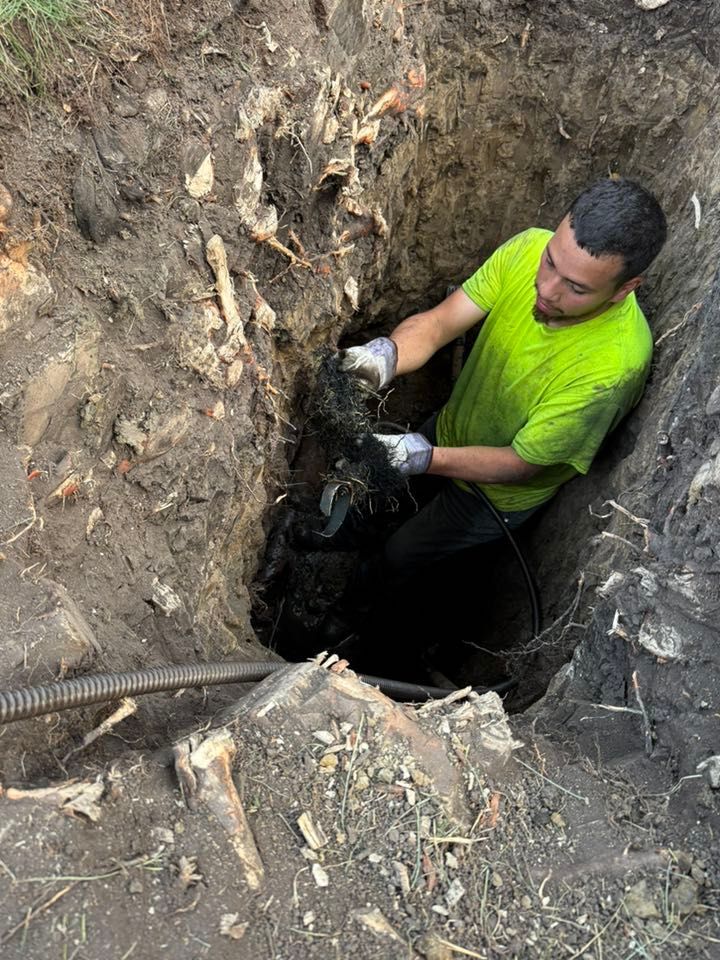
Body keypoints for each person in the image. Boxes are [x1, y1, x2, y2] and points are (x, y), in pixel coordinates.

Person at [338, 177, 667, 587]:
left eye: (576, 288)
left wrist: (422, 458)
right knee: (380, 496)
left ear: (624, 289)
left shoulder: (611, 370)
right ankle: (341, 540)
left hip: (494, 495)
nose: (546, 289)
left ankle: (357, 604)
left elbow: (520, 464)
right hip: (448, 429)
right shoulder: (529, 246)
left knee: (402, 555)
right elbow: (441, 323)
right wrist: (387, 354)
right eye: (551, 262)